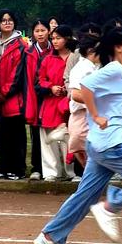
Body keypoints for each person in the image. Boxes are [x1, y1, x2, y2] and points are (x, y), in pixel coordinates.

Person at [33, 27, 122, 244]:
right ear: (118, 47)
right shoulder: (113, 70)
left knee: (85, 195)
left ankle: (50, 237)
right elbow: (85, 87)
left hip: (102, 144)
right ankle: (110, 206)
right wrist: (94, 115)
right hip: (111, 144)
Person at [37, 25, 78, 181]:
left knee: (69, 138)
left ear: (67, 38)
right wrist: (51, 87)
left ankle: (70, 172)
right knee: (48, 139)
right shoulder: (47, 59)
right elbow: (40, 80)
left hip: (70, 103)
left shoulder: (76, 58)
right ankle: (51, 172)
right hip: (50, 103)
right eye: (53, 38)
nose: (54, 41)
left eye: (58, 38)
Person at [0, 9, 27, 180]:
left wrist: (4, 92)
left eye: (10, 20)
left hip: (13, 97)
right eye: (4, 20)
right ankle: (3, 166)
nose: (7, 22)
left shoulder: (21, 45)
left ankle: (18, 168)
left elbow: (18, 73)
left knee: (16, 135)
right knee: (0, 135)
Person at [66, 33, 101, 171]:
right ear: (90, 51)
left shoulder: (94, 67)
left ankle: (91, 175)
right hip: (81, 114)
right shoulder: (81, 68)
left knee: (89, 149)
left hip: (90, 114)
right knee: (80, 147)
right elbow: (76, 94)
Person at [25, 20, 51, 180]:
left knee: (54, 133)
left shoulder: (55, 50)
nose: (40, 33)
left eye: (43, 30)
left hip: (51, 95)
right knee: (36, 132)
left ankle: (55, 167)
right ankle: (37, 167)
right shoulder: (28, 52)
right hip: (34, 96)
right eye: (37, 31)